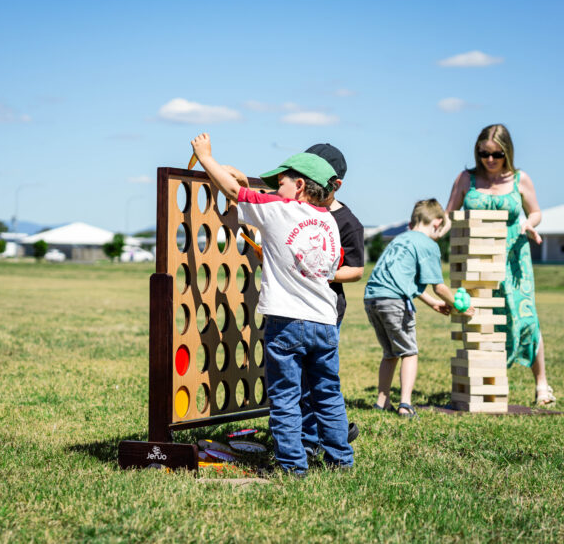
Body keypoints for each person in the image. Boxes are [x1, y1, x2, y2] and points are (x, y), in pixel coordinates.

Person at [190, 133, 353, 475]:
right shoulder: (328, 222)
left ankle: (293, 467)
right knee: (328, 395)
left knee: (285, 398)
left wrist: (206, 158)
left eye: (280, 182)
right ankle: (341, 461)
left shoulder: (277, 209)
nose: (275, 188)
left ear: (300, 186)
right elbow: (330, 263)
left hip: (287, 324)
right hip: (324, 321)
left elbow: (236, 194)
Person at [443, 124, 556, 405]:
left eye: (497, 154)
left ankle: (542, 384)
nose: (490, 160)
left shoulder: (520, 179)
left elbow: (536, 211)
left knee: (526, 319)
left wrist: (529, 223)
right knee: (481, 321)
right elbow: (449, 215)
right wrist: (425, 231)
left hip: (514, 258)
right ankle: (484, 384)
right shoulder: (465, 179)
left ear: (507, 152)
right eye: (484, 153)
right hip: (476, 262)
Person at [364, 199, 475, 418]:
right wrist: (458, 306)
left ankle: (382, 401)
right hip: (394, 301)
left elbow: (404, 281)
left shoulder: (401, 239)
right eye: (440, 231)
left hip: (373, 298)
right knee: (409, 352)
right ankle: (405, 404)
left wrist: (432, 302)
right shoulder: (427, 244)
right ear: (436, 223)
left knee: (390, 353)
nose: (439, 236)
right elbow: (440, 288)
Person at [298, 144, 365, 457]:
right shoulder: (298, 212)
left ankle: (317, 440)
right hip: (293, 308)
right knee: (297, 380)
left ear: (335, 185)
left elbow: (356, 270)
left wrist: (322, 273)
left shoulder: (348, 223)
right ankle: (319, 434)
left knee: (317, 379)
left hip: (326, 311)